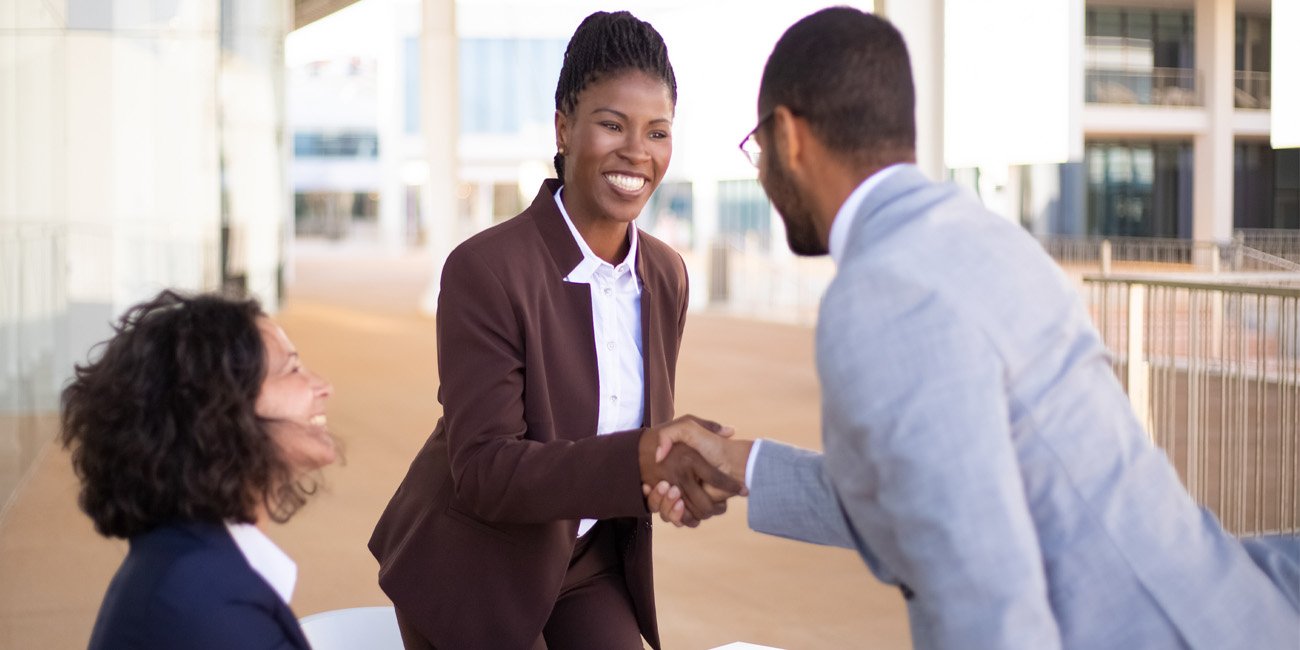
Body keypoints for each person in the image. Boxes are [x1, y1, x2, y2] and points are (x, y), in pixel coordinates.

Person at [647, 7, 1300, 649]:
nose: (761, 172)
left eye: (759, 149)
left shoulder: (883, 292)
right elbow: (924, 498)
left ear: (789, 137)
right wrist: (740, 463)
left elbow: (986, 604)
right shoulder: (980, 237)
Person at [367, 10, 743, 650]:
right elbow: (485, 470)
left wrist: (667, 475)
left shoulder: (666, 275)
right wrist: (642, 456)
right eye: (611, 124)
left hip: (584, 561)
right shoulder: (485, 270)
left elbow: (619, 439)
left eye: (658, 131)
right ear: (564, 129)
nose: (637, 152)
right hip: (472, 562)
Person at [61, 289, 337, 650]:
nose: (323, 387)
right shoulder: (208, 608)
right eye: (292, 369)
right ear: (219, 416)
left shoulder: (186, 566)